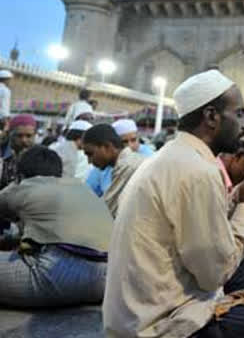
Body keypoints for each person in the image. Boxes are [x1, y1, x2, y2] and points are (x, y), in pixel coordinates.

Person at [103, 70, 244, 338]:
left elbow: (200, 235)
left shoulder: (174, 156)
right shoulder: (199, 171)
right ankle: (243, 312)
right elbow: (214, 275)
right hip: (167, 327)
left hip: (138, 317)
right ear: (211, 117)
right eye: (240, 114)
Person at [0, 146, 113, 307]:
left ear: (22, 174)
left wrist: (16, 183)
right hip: (105, 280)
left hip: (56, 274)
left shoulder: (26, 186)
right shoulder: (81, 187)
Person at [82, 124, 146, 217]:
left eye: (90, 154)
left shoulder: (127, 166)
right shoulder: (129, 162)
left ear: (107, 147)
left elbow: (107, 211)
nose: (89, 161)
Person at [1, 114, 37, 191]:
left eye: (28, 136)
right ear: (10, 134)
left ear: (34, 136)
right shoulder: (2, 154)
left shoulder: (42, 157)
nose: (24, 140)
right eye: (19, 136)